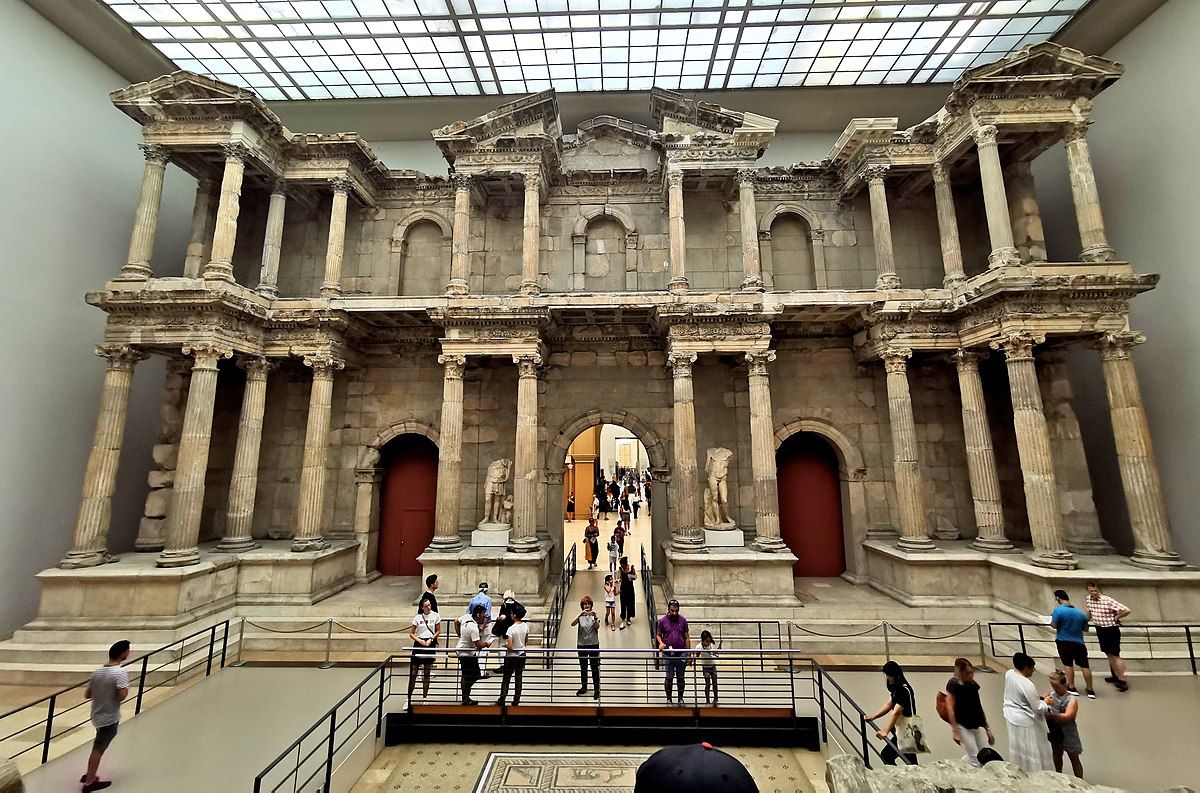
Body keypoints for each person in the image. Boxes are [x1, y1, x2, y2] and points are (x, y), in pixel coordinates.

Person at [81, 640, 131, 792]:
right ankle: (89, 782)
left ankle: (90, 773)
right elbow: (122, 696)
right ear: (123, 654)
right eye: (128, 650)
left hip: (96, 715)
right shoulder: (120, 673)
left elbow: (87, 694)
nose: (129, 653)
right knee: (98, 749)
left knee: (99, 744)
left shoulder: (97, 672)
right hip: (109, 717)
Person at [1002, 652, 1053, 772]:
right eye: (1031, 667)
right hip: (1025, 721)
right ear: (1025, 667)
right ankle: (1036, 772)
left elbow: (1023, 696)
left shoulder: (1009, 673)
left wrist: (1038, 697)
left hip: (1011, 715)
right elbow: (1038, 707)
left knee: (1020, 748)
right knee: (1034, 748)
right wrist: (1047, 702)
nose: (1033, 670)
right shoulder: (1027, 684)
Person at [866, 660, 918, 766]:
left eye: (888, 676)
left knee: (887, 755)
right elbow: (889, 704)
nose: (887, 678)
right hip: (901, 732)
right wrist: (874, 716)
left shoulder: (904, 690)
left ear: (894, 675)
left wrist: (885, 731)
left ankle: (898, 780)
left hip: (907, 733)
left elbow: (896, 712)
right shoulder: (896, 690)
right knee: (911, 763)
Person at [945, 658, 994, 767]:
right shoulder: (954, 684)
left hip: (974, 722)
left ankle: (964, 765)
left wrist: (987, 729)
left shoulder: (972, 685)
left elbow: (978, 706)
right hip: (961, 723)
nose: (971, 675)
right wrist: (954, 730)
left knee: (984, 753)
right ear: (961, 672)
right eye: (968, 673)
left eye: (972, 672)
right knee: (974, 755)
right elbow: (950, 707)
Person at [1085, 581, 1132, 692]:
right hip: (1100, 628)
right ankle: (1115, 675)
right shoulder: (1089, 599)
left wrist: (1116, 617)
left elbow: (1127, 610)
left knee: (1115, 654)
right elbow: (1090, 612)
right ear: (1088, 590)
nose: (1094, 592)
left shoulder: (1107, 600)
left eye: (1096, 590)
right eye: (1092, 591)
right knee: (1108, 653)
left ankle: (1122, 679)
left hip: (1110, 629)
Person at [1050, 589, 1094, 698]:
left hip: (1063, 641)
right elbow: (1085, 629)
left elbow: (1054, 625)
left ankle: (1072, 687)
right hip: (1079, 642)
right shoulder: (1080, 613)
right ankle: (1090, 689)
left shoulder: (1058, 611)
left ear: (1057, 598)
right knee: (1085, 666)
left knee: (1068, 664)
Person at [1046, 669, 1084, 778]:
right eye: (1053, 686)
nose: (1055, 689)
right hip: (1055, 731)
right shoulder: (1052, 695)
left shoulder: (1071, 700)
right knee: (1057, 755)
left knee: (1074, 758)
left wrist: (1051, 715)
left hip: (1069, 733)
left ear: (1064, 684)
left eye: (1057, 686)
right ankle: (1058, 776)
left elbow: (1068, 716)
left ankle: (1080, 781)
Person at [657, 599, 690, 705]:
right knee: (669, 677)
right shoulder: (662, 621)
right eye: (672, 611)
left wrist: (689, 654)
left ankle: (680, 698)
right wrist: (660, 643)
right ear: (669, 610)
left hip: (681, 653)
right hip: (668, 653)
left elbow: (686, 637)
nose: (674, 613)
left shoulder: (683, 620)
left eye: (676, 611)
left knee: (681, 677)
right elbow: (658, 634)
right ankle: (669, 699)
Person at [495, 602, 529, 707]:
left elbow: (510, 646)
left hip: (511, 656)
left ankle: (502, 698)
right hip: (522, 654)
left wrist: (504, 645)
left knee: (506, 678)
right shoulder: (525, 626)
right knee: (518, 677)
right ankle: (516, 700)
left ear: (514, 615)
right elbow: (526, 640)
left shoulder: (511, 629)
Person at [408, 598, 441, 703]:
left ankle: (424, 698)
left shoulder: (435, 615)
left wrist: (431, 639)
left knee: (427, 672)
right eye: (426, 606)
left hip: (429, 644)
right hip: (419, 643)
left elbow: (438, 630)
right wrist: (419, 640)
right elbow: (411, 633)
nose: (429, 607)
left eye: (429, 605)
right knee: (414, 672)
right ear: (422, 607)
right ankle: (408, 698)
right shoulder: (418, 617)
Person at [455, 604, 489, 705]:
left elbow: (456, 622)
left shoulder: (466, 617)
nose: (484, 616)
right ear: (478, 614)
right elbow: (478, 645)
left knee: (470, 675)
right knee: (470, 676)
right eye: (483, 613)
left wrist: (460, 636)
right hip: (466, 653)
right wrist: (487, 644)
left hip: (466, 651)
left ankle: (466, 697)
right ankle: (465, 698)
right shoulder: (473, 627)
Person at [571, 596, 601, 699]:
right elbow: (572, 624)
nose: (587, 606)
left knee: (594, 667)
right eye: (585, 604)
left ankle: (597, 689)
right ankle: (584, 687)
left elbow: (597, 627)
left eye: (588, 604)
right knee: (583, 667)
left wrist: (595, 617)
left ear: (591, 605)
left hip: (593, 644)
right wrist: (580, 614)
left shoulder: (594, 615)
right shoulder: (580, 616)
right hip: (582, 644)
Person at [490, 590, 518, 673]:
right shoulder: (516, 605)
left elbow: (501, 618)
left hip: (504, 630)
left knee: (502, 647)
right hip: (514, 629)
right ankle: (512, 664)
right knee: (512, 647)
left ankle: (503, 665)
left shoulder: (504, 606)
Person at [693, 630, 721, 705]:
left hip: (713, 666)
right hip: (705, 667)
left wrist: (718, 649)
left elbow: (714, 653)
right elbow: (696, 655)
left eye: (709, 641)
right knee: (708, 684)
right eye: (707, 641)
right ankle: (707, 699)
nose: (708, 643)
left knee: (715, 683)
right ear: (702, 640)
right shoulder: (699, 647)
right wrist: (693, 660)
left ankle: (716, 698)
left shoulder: (711, 644)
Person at [618, 556, 637, 629]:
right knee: (623, 603)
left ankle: (628, 617)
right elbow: (619, 578)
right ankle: (623, 618)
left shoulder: (631, 568)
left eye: (623, 565)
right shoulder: (620, 569)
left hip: (630, 588)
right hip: (623, 588)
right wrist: (617, 581)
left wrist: (631, 576)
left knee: (630, 602)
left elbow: (635, 576)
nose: (622, 566)